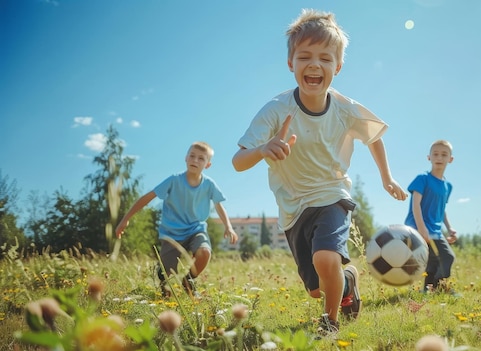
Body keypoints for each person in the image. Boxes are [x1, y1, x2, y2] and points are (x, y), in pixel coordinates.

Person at [232, 8, 407, 334]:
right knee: (316, 287)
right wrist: (262, 149)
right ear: (291, 64)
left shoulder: (344, 108)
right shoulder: (276, 109)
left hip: (333, 195)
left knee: (326, 259)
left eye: (325, 59)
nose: (315, 64)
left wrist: (387, 177)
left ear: (338, 67)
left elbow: (374, 137)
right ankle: (348, 281)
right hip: (294, 208)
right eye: (305, 56)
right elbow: (238, 162)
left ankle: (330, 324)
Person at [116, 141, 238, 298]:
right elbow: (148, 197)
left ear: (207, 164)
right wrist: (126, 218)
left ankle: (189, 281)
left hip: (196, 230)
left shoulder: (209, 185)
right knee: (167, 273)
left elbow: (219, 206)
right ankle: (163, 278)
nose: (195, 160)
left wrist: (229, 226)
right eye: (192, 156)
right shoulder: (174, 181)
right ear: (185, 158)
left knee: (204, 251)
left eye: (201, 158)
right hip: (172, 233)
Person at [404, 140, 457, 294]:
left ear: (450, 159)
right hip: (420, 227)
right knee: (448, 257)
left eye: (444, 154)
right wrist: (421, 228)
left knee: (433, 261)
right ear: (429, 157)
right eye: (435, 154)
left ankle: (429, 290)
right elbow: (416, 204)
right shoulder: (422, 179)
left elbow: (442, 209)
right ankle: (440, 288)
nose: (439, 157)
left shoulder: (448, 186)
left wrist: (449, 228)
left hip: (435, 229)